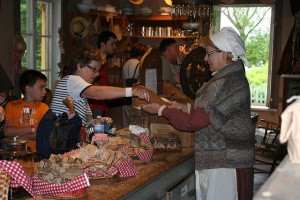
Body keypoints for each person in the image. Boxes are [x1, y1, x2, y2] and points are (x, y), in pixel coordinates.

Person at [142, 27, 254, 200]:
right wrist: (184, 108)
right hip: (224, 160)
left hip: (225, 163)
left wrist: (162, 110)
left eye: (209, 53)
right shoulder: (231, 78)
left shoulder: (226, 82)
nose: (205, 58)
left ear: (224, 54)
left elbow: (195, 122)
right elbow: (215, 112)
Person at [50, 45, 150, 133]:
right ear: (80, 66)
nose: (97, 74)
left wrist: (97, 122)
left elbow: (82, 125)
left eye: (98, 70)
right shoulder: (72, 80)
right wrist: (132, 91)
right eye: (94, 69)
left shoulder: (78, 88)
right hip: (61, 146)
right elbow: (97, 93)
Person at [3, 70, 49, 152]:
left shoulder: (44, 108)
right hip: (15, 153)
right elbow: (7, 132)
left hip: (36, 153)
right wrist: (33, 129)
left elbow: (44, 135)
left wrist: (16, 135)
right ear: (28, 89)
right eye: (41, 88)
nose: (45, 91)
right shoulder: (11, 106)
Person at [88, 31, 117, 117]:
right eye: (112, 44)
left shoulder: (104, 62)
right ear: (103, 44)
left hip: (101, 103)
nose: (114, 46)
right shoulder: (95, 61)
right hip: (94, 104)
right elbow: (90, 82)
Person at [122, 43, 147, 127]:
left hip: (125, 96)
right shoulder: (139, 64)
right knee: (135, 123)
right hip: (134, 97)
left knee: (126, 124)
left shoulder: (126, 63)